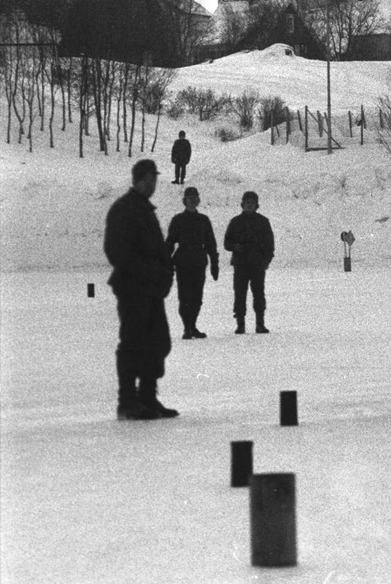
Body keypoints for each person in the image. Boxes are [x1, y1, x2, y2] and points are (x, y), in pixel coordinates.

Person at [103, 159, 179, 420]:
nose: (152, 185)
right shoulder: (124, 209)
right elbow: (117, 252)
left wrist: (165, 277)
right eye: (147, 180)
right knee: (133, 343)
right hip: (133, 289)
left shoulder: (146, 211)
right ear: (136, 180)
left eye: (154, 180)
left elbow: (160, 252)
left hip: (152, 290)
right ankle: (127, 402)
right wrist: (150, 273)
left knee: (157, 343)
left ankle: (147, 397)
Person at [166, 186, 219, 339]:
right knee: (184, 297)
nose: (193, 200)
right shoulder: (178, 220)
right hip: (182, 262)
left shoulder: (204, 220)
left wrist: (214, 263)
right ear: (185, 201)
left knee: (197, 297)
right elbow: (170, 242)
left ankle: (193, 326)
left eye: (195, 197)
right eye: (190, 198)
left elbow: (211, 243)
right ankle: (187, 328)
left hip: (199, 261)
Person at [223, 190, 275, 334]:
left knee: (258, 294)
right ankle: (240, 324)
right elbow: (227, 243)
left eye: (252, 203)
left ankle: (260, 323)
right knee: (240, 294)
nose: (250, 205)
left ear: (257, 205)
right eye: (247, 203)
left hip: (257, 265)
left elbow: (270, 245)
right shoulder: (235, 222)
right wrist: (235, 246)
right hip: (240, 265)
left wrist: (265, 261)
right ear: (242, 204)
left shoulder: (263, 222)